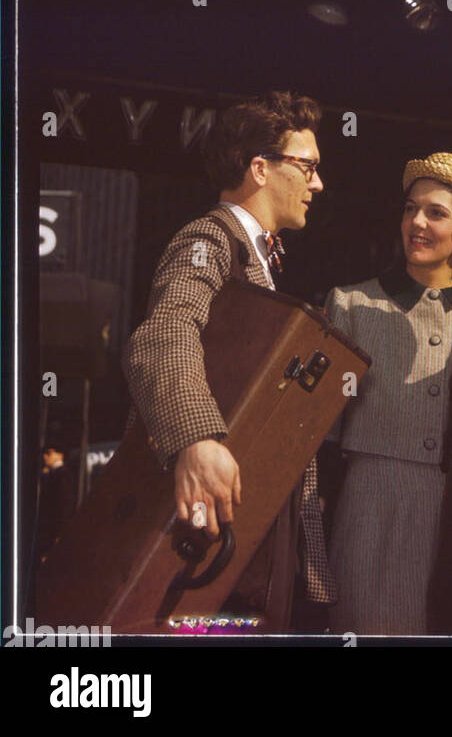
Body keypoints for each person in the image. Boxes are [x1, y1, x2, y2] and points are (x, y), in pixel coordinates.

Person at [122, 90, 333, 631]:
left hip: (241, 539)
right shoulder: (209, 239)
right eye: (307, 167)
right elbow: (164, 334)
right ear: (260, 169)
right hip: (207, 538)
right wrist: (196, 440)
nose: (318, 184)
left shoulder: (257, 255)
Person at [324, 152, 452, 636]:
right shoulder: (350, 304)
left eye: (436, 212)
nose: (417, 222)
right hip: (370, 509)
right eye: (411, 209)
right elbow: (318, 432)